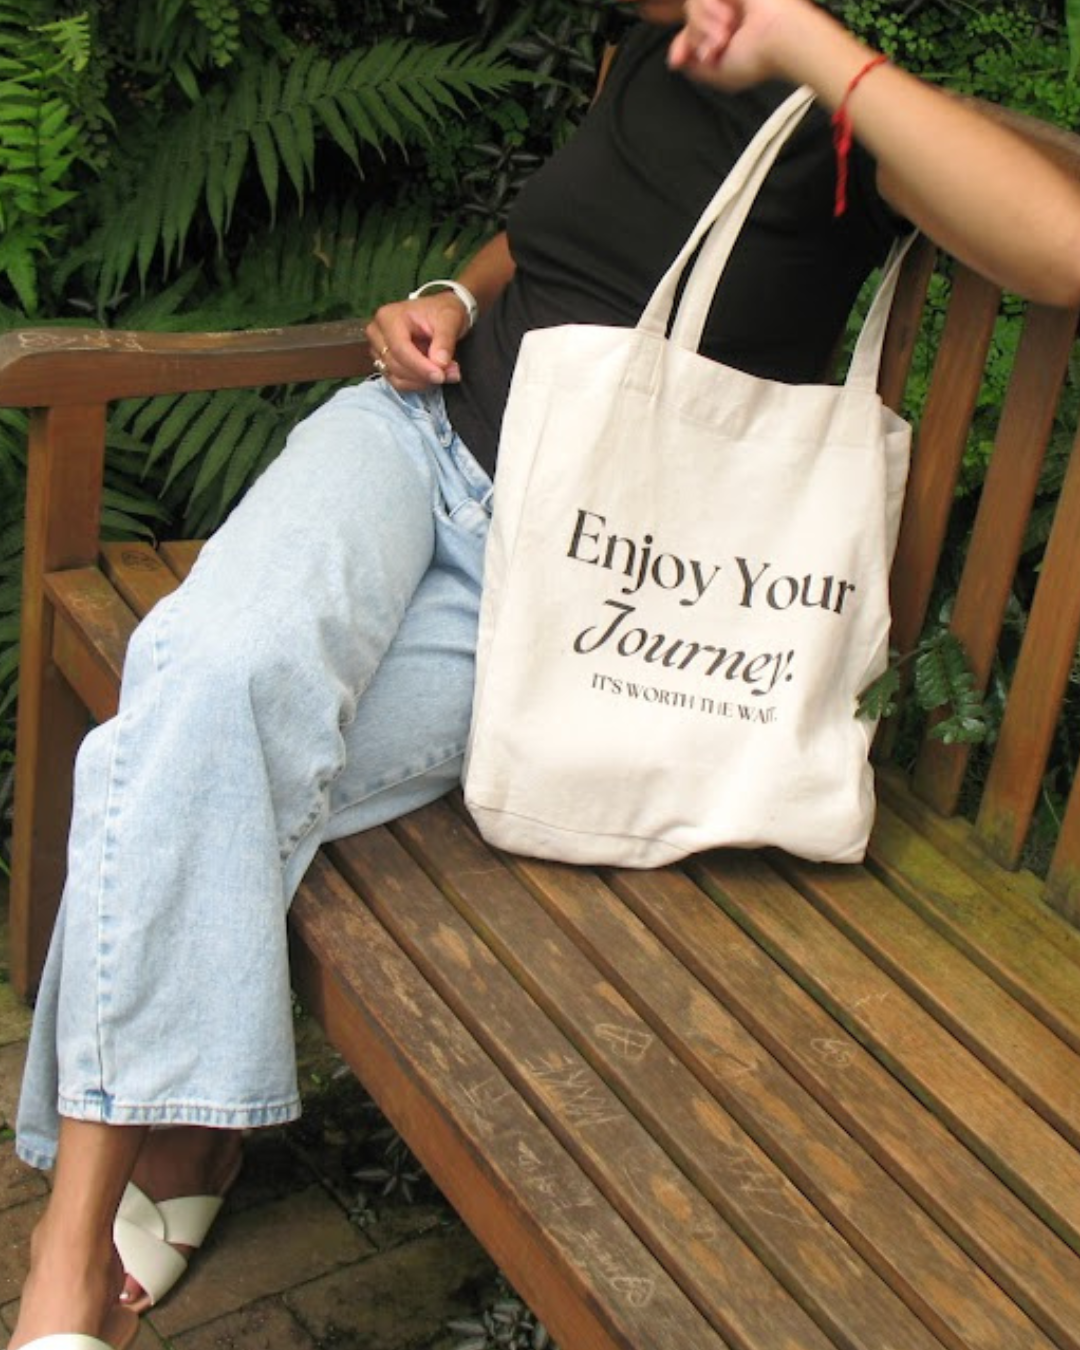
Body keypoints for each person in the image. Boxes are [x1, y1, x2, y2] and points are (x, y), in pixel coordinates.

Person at [10, 2, 1080, 1348]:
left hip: (570, 590)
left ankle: (176, 1162)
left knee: (174, 729)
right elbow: (547, 237)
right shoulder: (641, 50)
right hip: (406, 448)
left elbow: (1062, 246)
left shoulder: (841, 112)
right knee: (217, 668)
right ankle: (73, 1255)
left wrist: (807, 41)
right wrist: (454, 296)